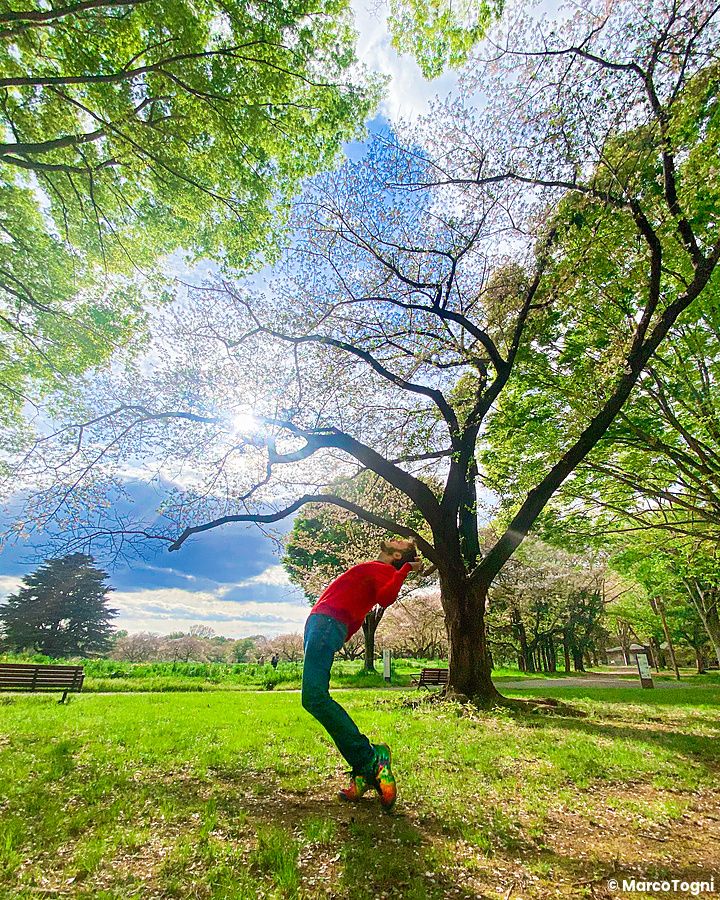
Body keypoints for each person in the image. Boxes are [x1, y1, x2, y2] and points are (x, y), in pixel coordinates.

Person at [301, 537, 423, 811]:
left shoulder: (387, 571)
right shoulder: (375, 568)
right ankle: (364, 769)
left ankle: (369, 759)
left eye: (400, 543)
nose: (394, 538)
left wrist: (405, 570)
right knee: (314, 697)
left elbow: (386, 598)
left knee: (314, 697)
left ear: (396, 555)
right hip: (322, 625)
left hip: (327, 624)